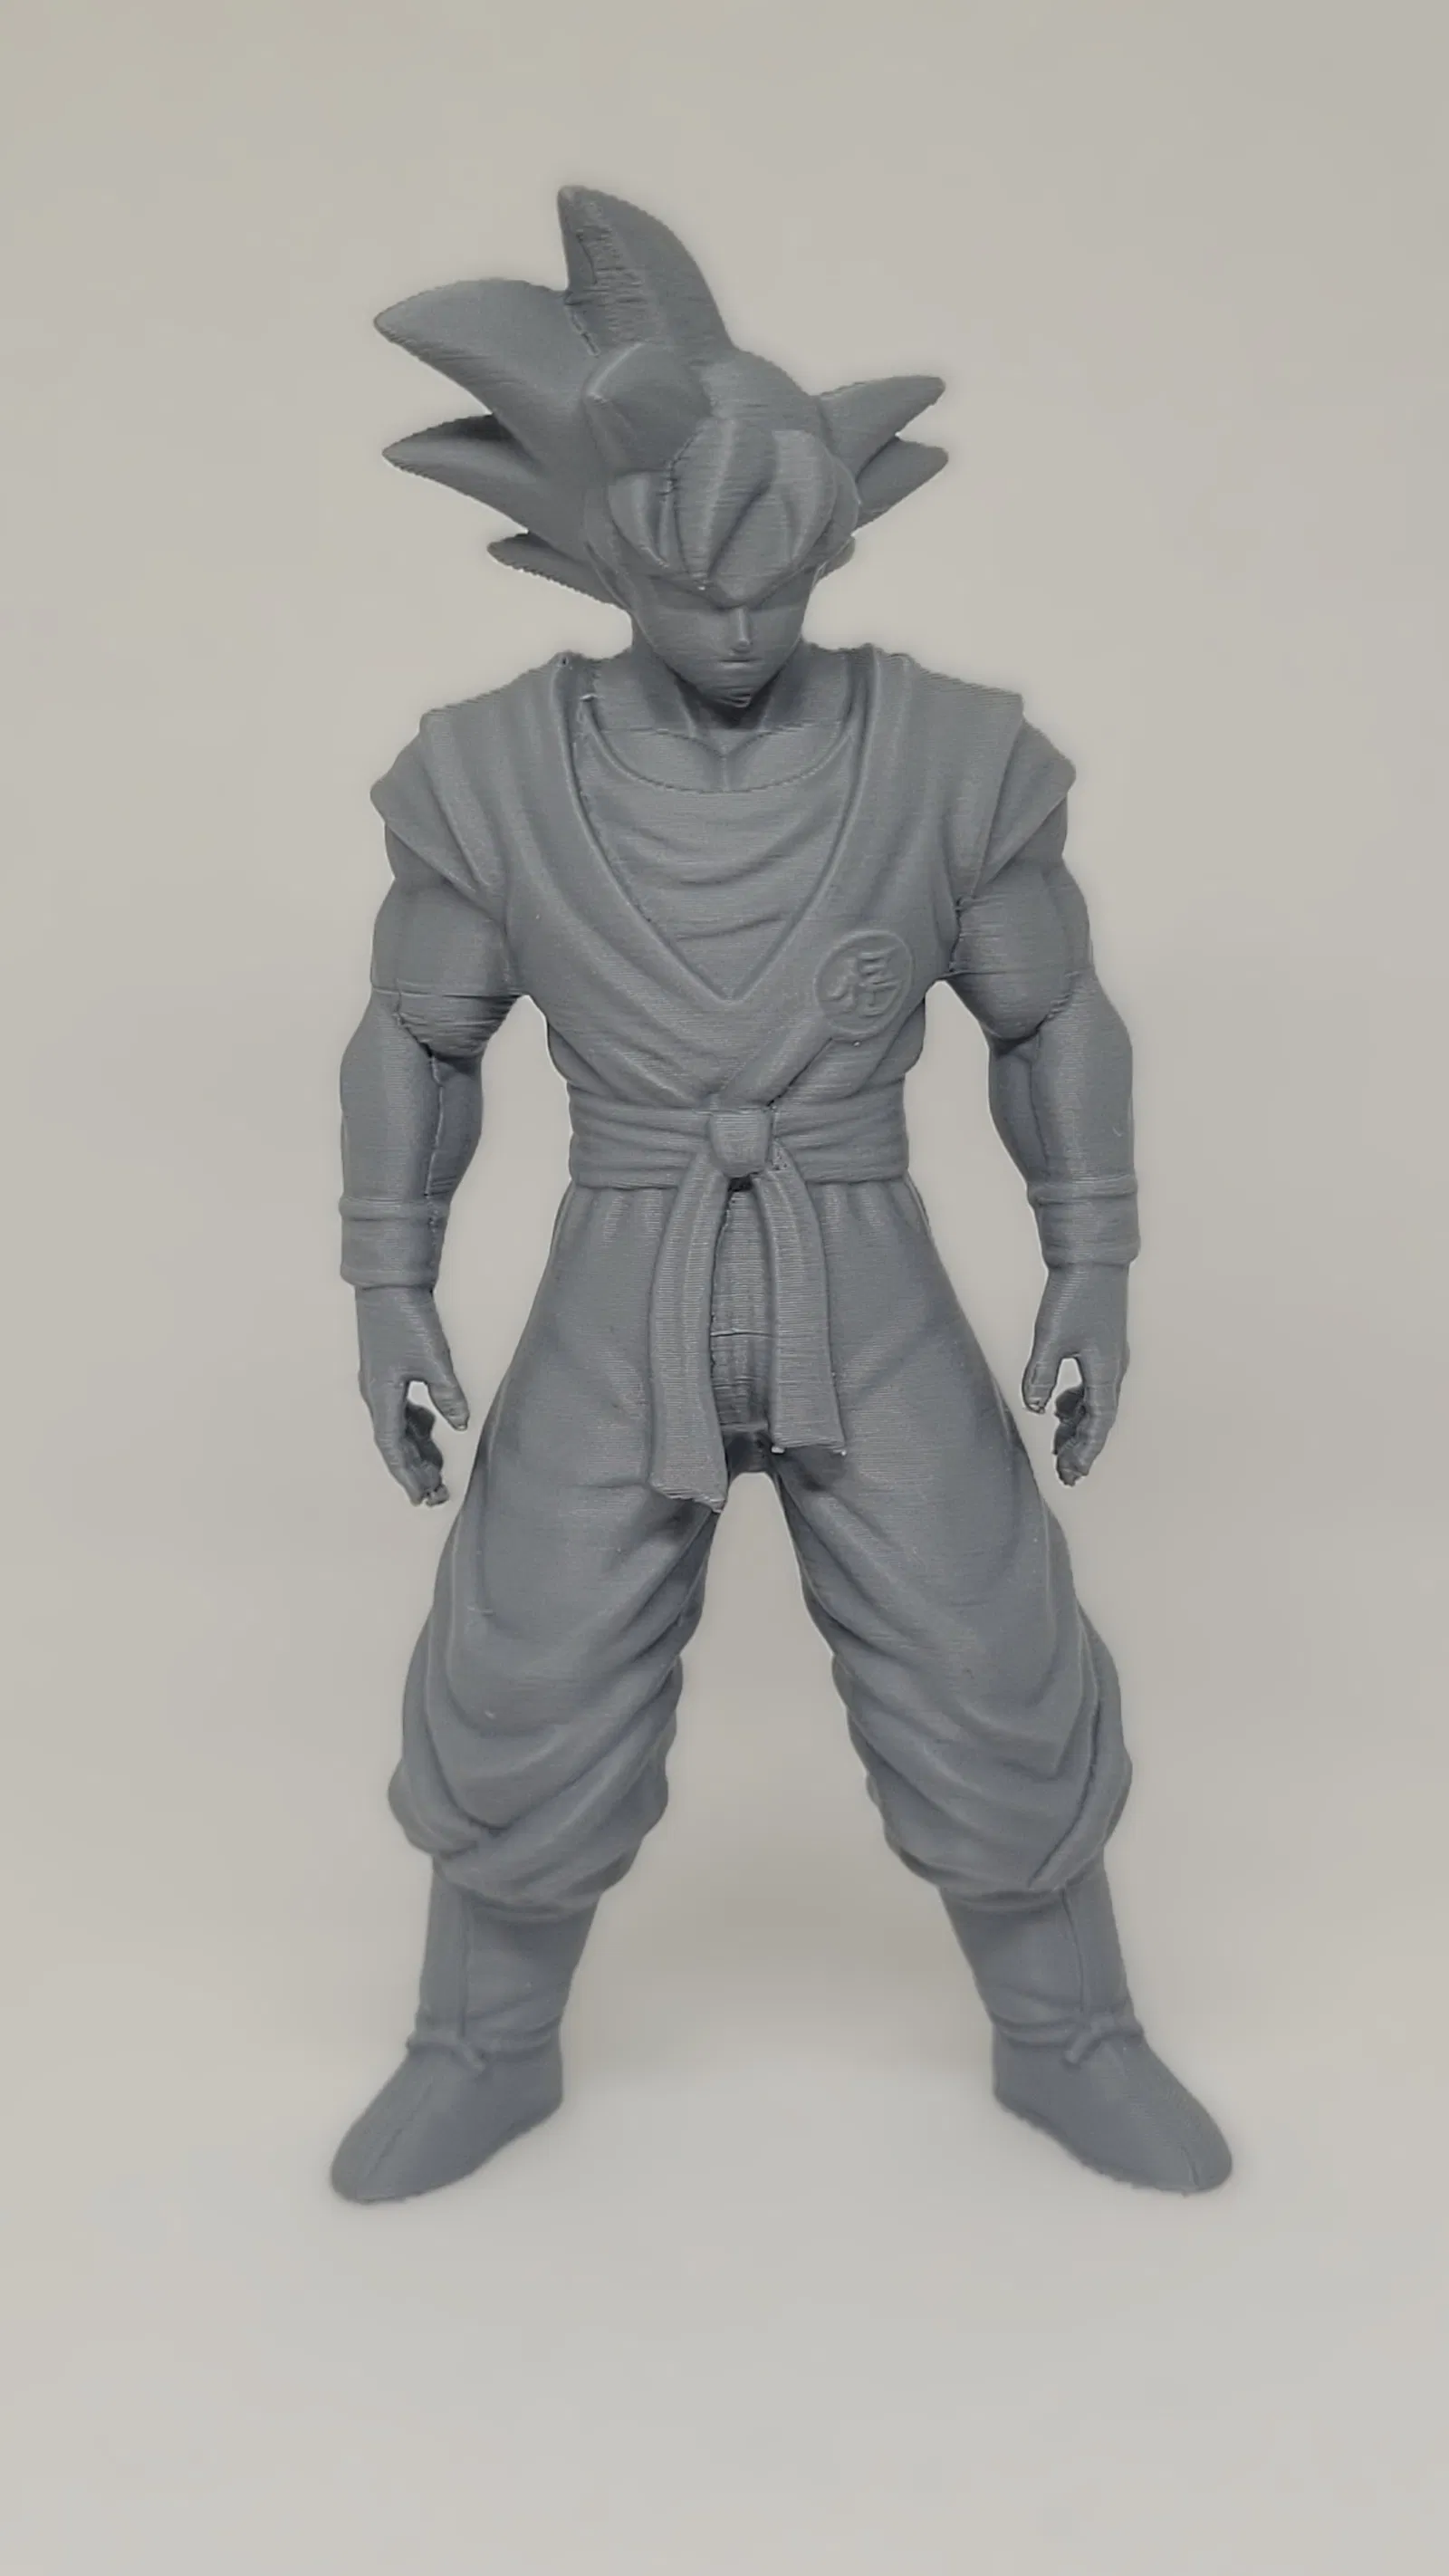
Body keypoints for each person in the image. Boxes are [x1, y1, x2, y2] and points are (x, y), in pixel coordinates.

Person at [330, 187, 1231, 2203]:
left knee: (986, 1653)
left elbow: (1048, 1013)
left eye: (776, 581)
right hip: (622, 1263)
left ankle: (1067, 2033)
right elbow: (416, 1039)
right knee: (529, 1662)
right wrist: (389, 1285)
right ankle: (480, 2043)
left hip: (862, 1258)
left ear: (832, 543)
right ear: (599, 555)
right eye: (690, 585)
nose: (738, 628)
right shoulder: (493, 773)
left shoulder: (946, 757)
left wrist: (1091, 1254)